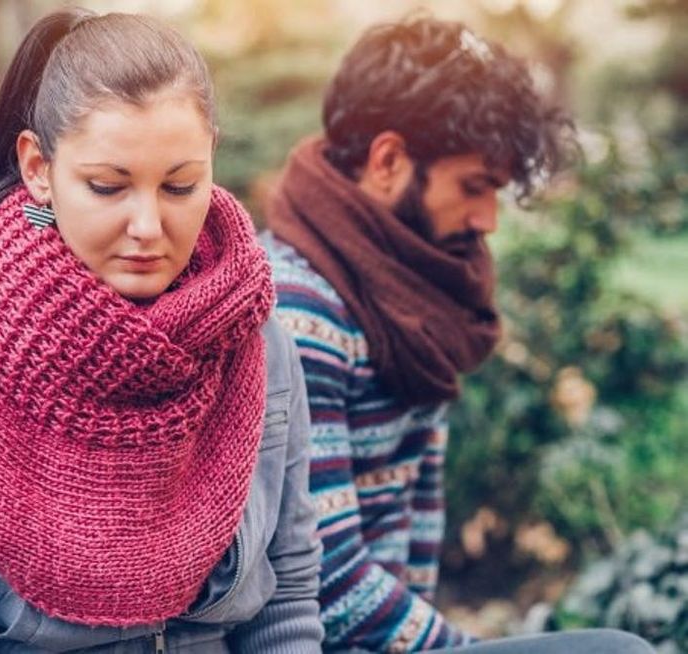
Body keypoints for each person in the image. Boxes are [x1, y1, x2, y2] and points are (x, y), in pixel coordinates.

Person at [0, 8, 323, 653]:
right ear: (37, 167)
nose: (148, 226)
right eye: (108, 187)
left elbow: (288, 600)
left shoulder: (255, 337)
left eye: (180, 185)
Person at [261, 15, 654, 653]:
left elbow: (416, 527)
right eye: (474, 188)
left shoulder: (413, 298)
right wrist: (460, 648)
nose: (489, 220)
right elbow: (321, 579)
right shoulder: (300, 314)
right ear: (387, 161)